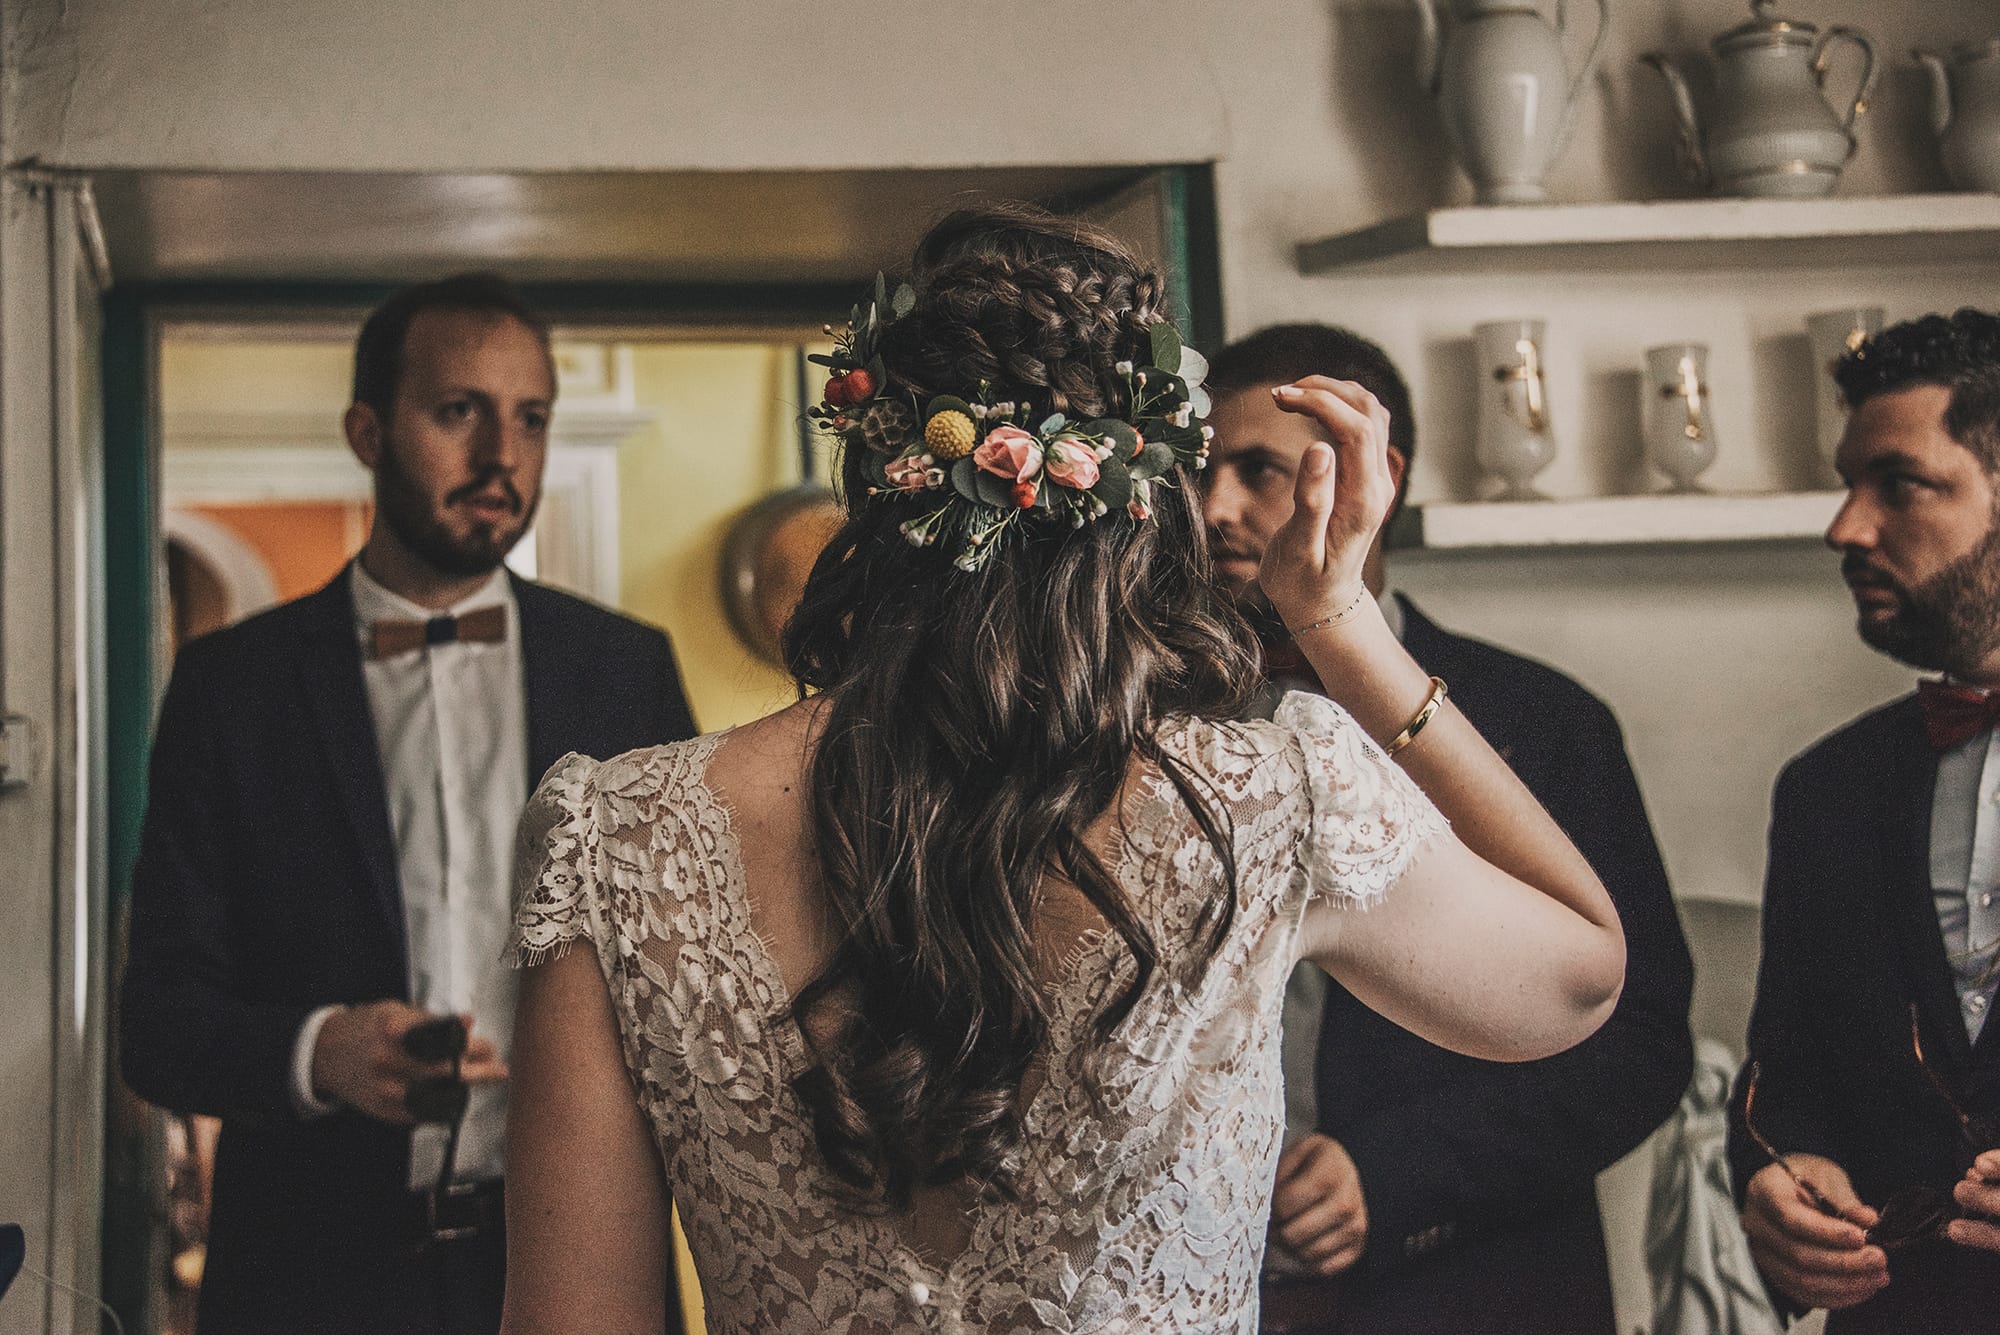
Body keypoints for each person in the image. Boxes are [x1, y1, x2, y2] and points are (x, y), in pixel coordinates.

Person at [499, 203, 1624, 1333]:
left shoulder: (617, 833)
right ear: (1145, 498)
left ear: (871, 474)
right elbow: (1577, 978)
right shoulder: (1267, 795)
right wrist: (1338, 619)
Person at [119, 273, 697, 1335]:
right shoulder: (230, 689)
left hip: (579, 1262)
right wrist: (317, 1050)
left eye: (530, 418)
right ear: (367, 431)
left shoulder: (624, 672)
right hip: (305, 1275)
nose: (503, 456)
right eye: (458, 411)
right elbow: (156, 1024)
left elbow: (694, 973)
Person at [1199, 324, 1694, 1334]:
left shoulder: (1539, 722)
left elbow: (1637, 1041)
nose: (1213, 509)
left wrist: (1393, 1178)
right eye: (1199, 473)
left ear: (1375, 476)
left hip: (1473, 1292)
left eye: (1255, 470)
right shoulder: (1137, 727)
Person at [1726, 307, 2000, 1334]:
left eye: (1899, 483)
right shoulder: (1826, 789)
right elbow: (1781, 1084)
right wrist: (1777, 1185)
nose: (1843, 526)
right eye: (1847, 485)